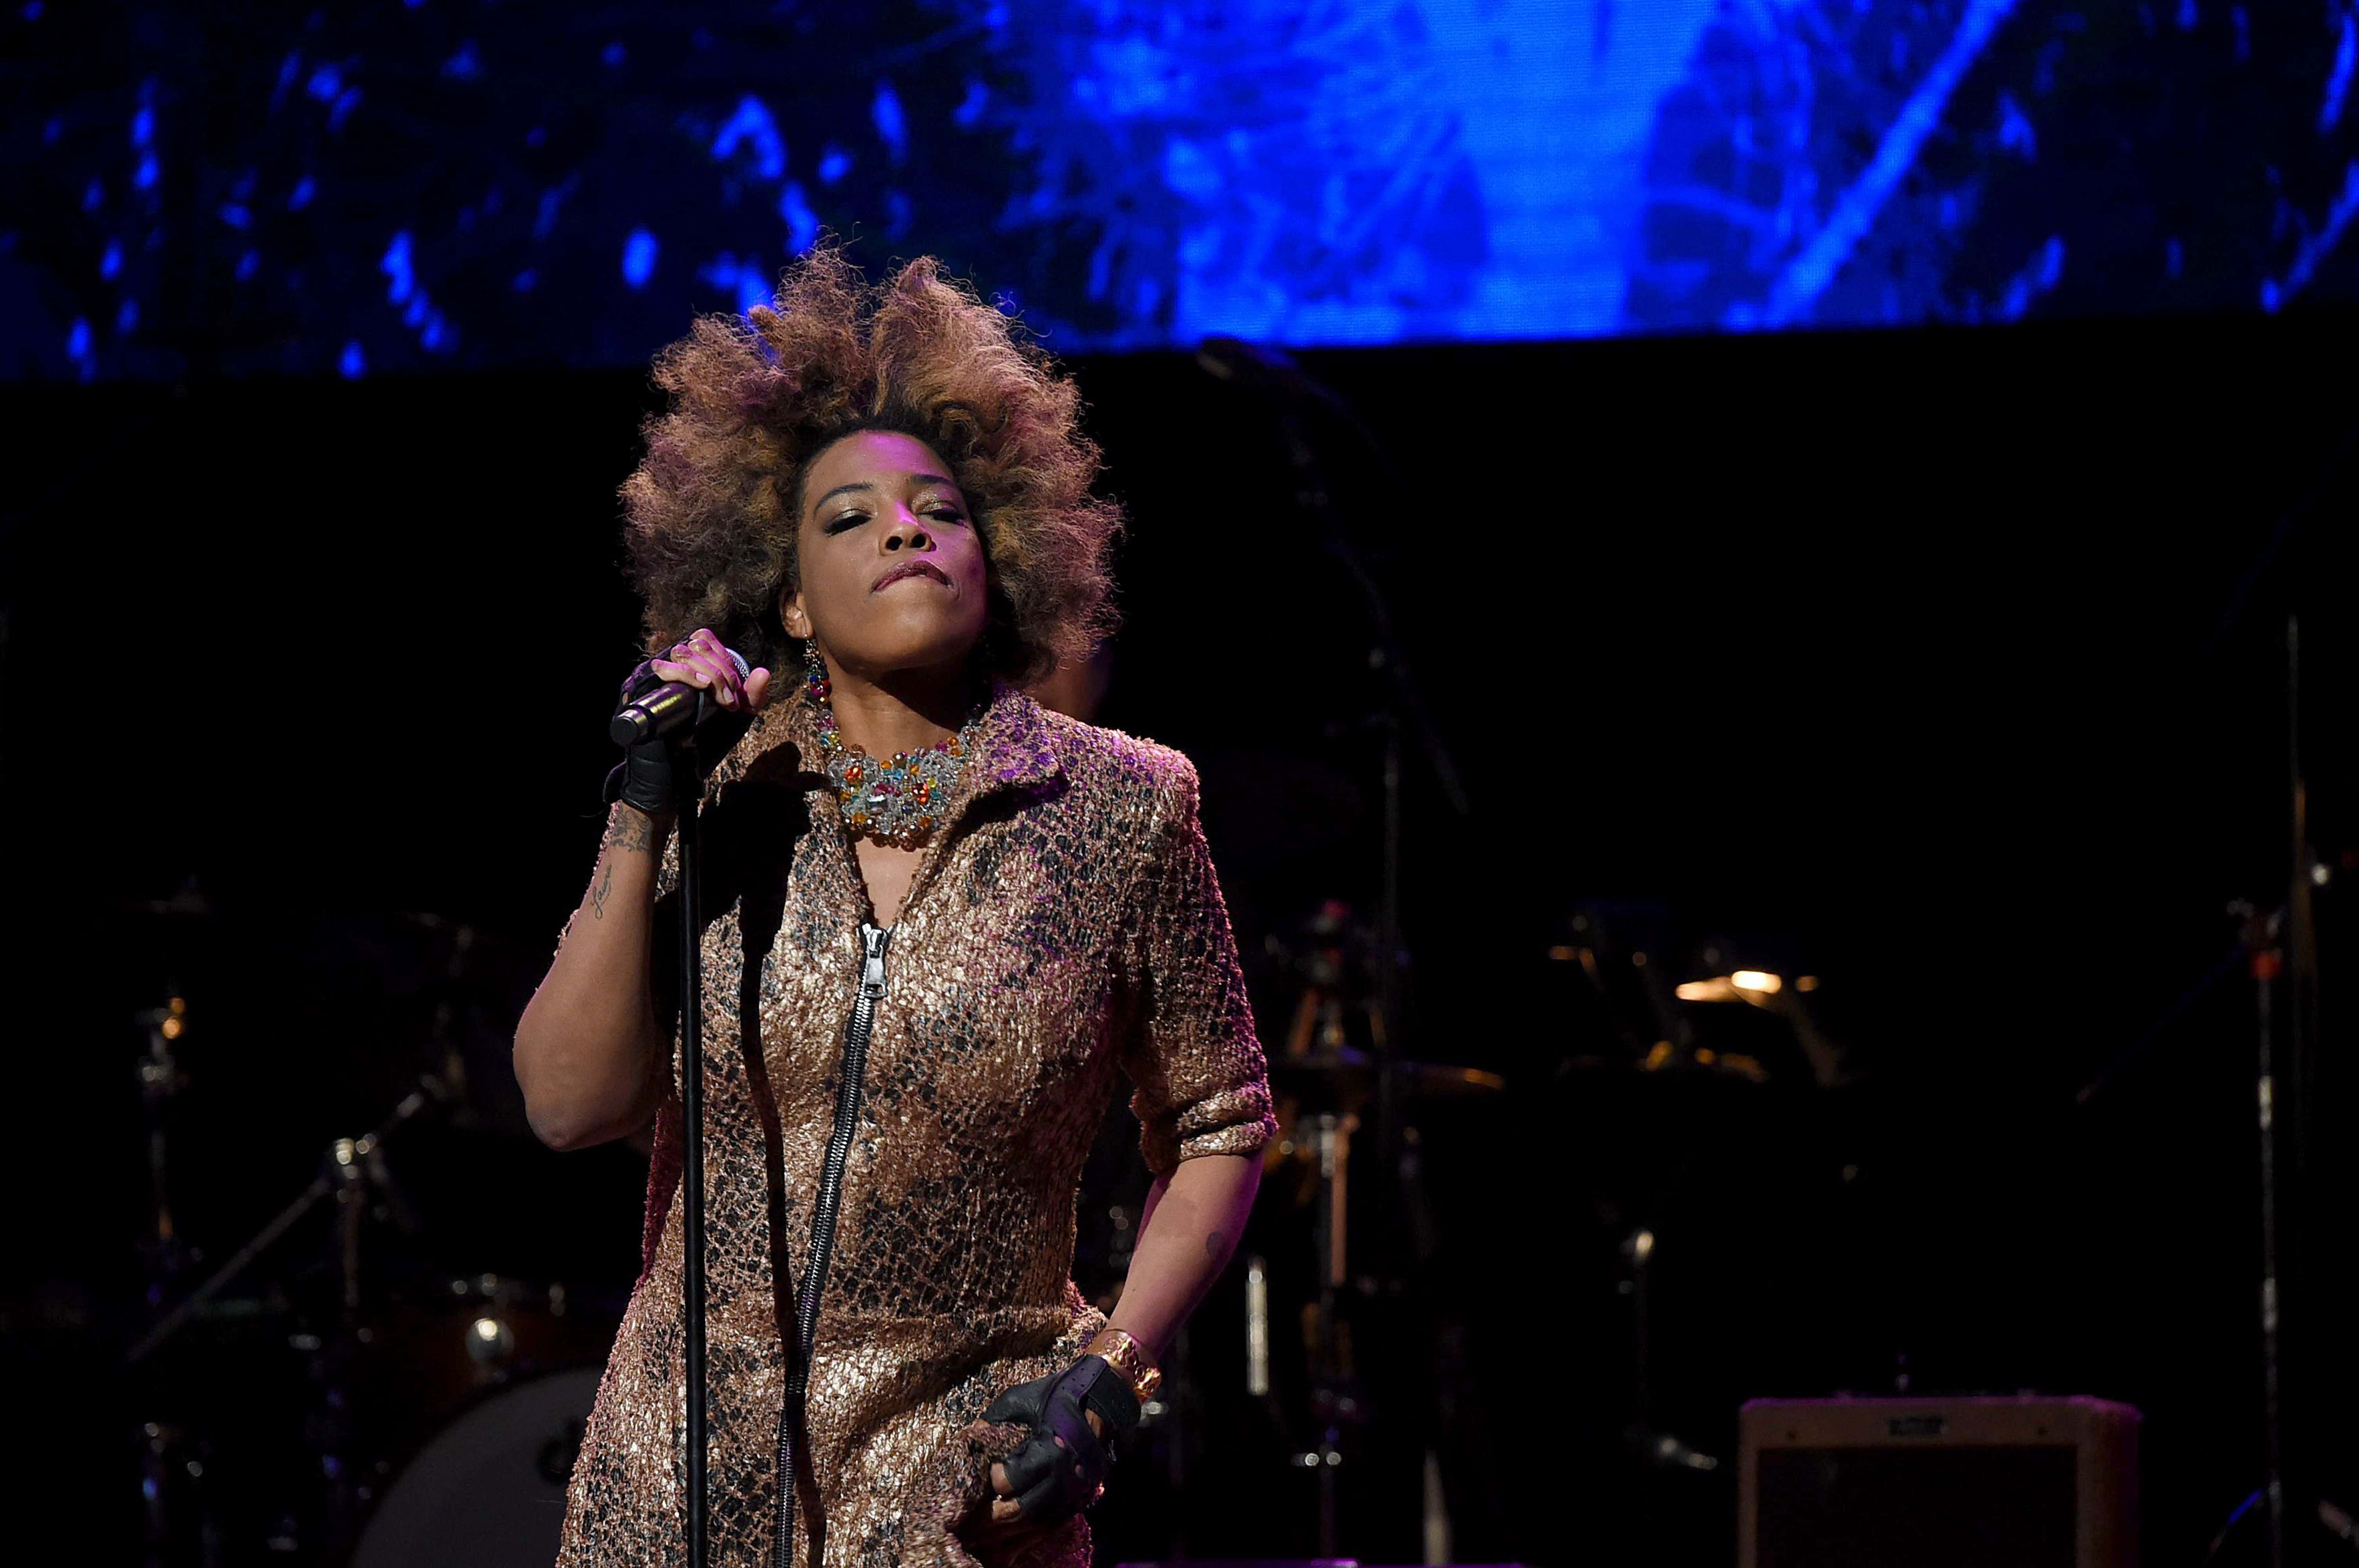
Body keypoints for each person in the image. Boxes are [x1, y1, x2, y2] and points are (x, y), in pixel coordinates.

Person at [512, 247, 1274, 1568]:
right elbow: (572, 1106)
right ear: (791, 597)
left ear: (1001, 560)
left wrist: (1111, 1372)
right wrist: (646, 799)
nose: (906, 529)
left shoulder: (1123, 809)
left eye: (940, 509)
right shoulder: (721, 797)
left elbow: (1222, 1125)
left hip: (962, 1485)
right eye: (850, 518)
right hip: (681, 1478)